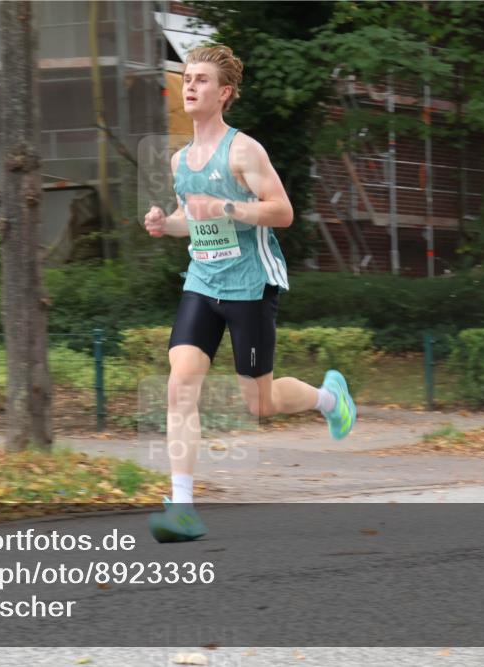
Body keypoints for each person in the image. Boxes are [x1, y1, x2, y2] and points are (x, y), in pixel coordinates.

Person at [143, 45, 357, 543]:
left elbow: (282, 212)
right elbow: (192, 219)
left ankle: (330, 398)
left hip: (250, 285)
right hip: (202, 282)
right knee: (180, 385)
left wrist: (228, 207)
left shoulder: (244, 151)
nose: (190, 86)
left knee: (260, 403)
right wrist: (165, 224)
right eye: (186, 78)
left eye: (201, 79)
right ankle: (182, 507)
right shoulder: (180, 160)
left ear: (224, 93)